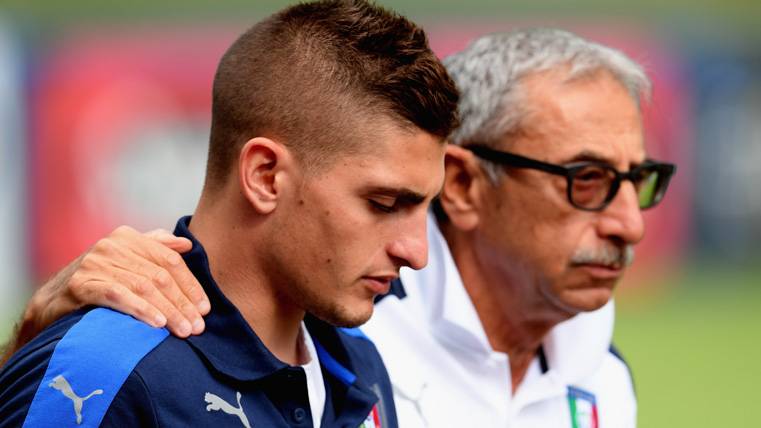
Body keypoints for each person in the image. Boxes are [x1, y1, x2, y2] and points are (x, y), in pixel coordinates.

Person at [4, 28, 676, 427]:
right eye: (584, 179)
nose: (629, 225)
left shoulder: (350, 366)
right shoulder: (124, 361)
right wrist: (40, 346)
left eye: (637, 181)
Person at [0, 1, 459, 427]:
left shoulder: (359, 365)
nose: (417, 253)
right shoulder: (108, 369)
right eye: (383, 204)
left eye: (424, 206)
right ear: (264, 176)